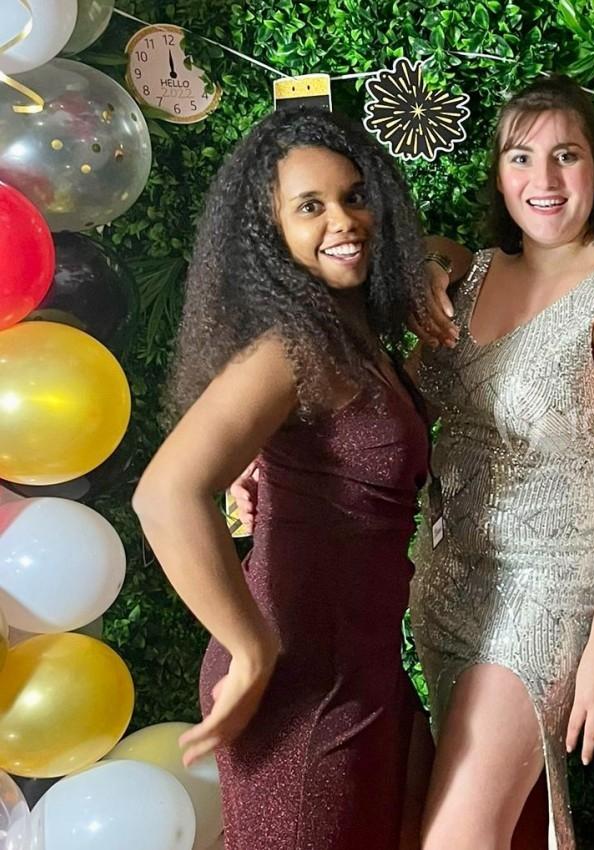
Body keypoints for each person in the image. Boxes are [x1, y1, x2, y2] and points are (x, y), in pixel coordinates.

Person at [133, 108, 437, 850]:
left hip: (365, 672)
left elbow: (442, 252)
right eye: (311, 207)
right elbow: (165, 493)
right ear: (270, 234)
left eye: (355, 196)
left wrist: (431, 262)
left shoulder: (355, 329)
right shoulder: (292, 347)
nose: (344, 220)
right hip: (300, 688)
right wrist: (249, 648)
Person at [409, 76, 594, 850]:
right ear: (499, 174)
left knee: (457, 837)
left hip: (546, 594)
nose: (546, 180)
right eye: (522, 157)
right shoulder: (472, 275)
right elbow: (399, 400)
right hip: (447, 588)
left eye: (566, 155)